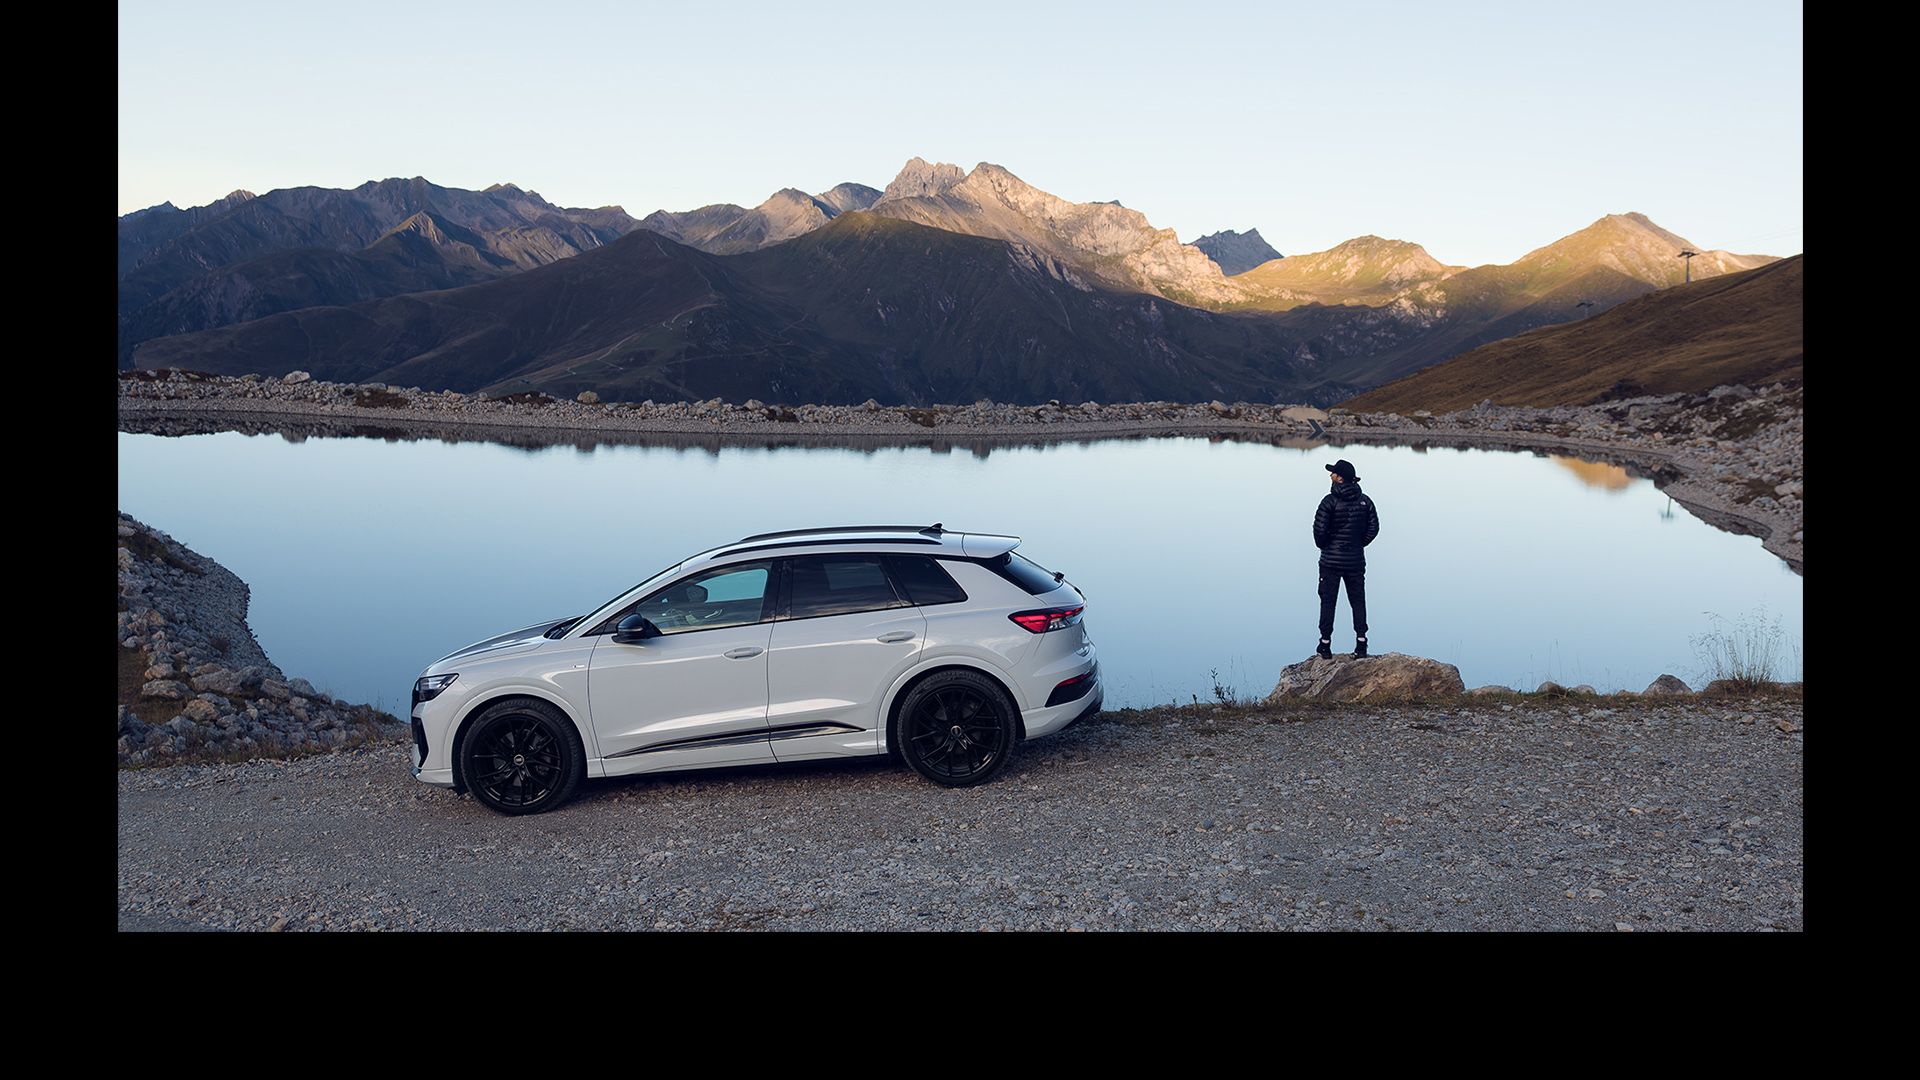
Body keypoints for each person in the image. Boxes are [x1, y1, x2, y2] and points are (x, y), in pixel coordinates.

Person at [1312, 459, 1379, 659]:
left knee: (1328, 601)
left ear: (1340, 478)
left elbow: (1319, 532)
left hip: (1330, 562)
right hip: (1355, 561)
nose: (1330, 476)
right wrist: (1358, 544)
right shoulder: (1365, 501)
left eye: (1333, 473)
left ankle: (1325, 645)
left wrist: (1327, 546)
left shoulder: (1329, 501)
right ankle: (1361, 643)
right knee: (1358, 600)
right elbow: (1373, 528)